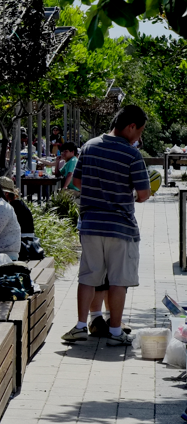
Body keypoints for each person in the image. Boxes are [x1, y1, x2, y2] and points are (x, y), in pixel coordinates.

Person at [61, 105, 152, 345]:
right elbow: (143, 194)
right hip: (120, 227)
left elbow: (77, 181)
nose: (139, 136)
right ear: (131, 126)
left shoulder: (89, 146)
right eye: (140, 131)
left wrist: (98, 192)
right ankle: (115, 332)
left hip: (91, 225)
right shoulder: (132, 155)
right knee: (118, 280)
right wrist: (125, 194)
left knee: (88, 276)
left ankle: (81, 326)